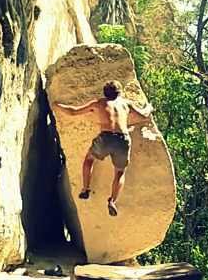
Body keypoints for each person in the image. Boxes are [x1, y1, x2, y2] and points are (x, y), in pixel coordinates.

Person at [52, 81, 154, 216]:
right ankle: (112, 200)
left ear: (105, 93)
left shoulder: (99, 103)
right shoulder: (126, 104)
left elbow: (73, 112)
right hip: (123, 139)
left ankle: (85, 189)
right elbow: (143, 116)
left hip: (105, 138)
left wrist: (57, 106)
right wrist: (149, 108)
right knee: (119, 172)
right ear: (119, 93)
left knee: (89, 159)